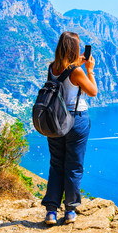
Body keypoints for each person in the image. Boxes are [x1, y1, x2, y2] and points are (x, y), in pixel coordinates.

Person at [41, 31, 97, 225]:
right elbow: (93, 91)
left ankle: (51, 211)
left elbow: (65, 75)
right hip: (75, 120)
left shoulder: (52, 67)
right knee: (73, 166)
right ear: (74, 49)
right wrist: (89, 69)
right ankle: (71, 210)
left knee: (56, 164)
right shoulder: (78, 71)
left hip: (55, 121)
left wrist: (77, 65)